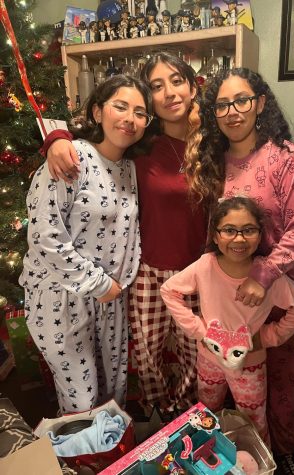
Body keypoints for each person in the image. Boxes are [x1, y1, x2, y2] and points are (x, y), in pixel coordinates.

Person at [37, 53, 207, 421]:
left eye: (176, 81)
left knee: (196, 357)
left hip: (196, 271)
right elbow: (92, 138)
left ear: (193, 87)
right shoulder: (140, 145)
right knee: (145, 359)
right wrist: (56, 138)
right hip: (140, 274)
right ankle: (154, 419)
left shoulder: (210, 143)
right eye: (157, 86)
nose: (169, 93)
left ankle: (185, 419)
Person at [185, 67, 294, 473]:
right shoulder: (212, 160)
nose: (232, 111)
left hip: (277, 286)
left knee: (280, 371)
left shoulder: (286, 156)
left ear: (259, 104)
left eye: (241, 100)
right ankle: (234, 451)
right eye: (222, 104)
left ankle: (282, 451)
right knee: (234, 372)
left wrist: (265, 275)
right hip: (230, 289)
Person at [19, 75, 153, 414]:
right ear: (97, 112)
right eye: (120, 106)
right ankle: (81, 463)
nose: (130, 118)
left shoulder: (129, 168)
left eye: (140, 112)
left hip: (111, 300)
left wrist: (115, 286)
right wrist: (97, 283)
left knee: (113, 393)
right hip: (63, 299)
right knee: (82, 398)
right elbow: (45, 236)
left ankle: (110, 461)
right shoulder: (71, 157)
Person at [161, 196, 294, 444]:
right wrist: (199, 330)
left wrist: (267, 336)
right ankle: (205, 457)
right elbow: (169, 291)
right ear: (216, 235)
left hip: (250, 364)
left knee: (253, 419)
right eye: (230, 230)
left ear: (259, 234)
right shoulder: (205, 266)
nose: (239, 238)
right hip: (209, 360)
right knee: (207, 413)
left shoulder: (267, 275)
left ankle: (256, 464)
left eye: (248, 230)